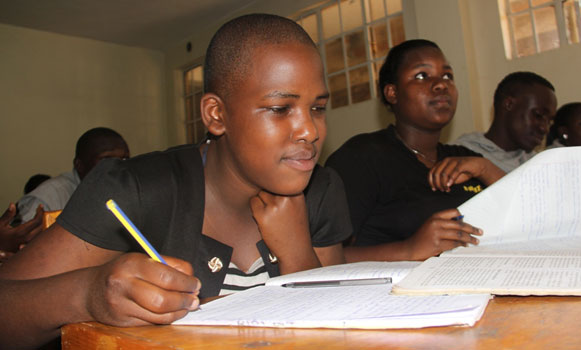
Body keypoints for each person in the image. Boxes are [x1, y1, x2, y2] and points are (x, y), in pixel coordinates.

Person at [0, 13, 351, 349]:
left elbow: (342, 328)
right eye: (280, 109)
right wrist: (87, 293)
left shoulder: (319, 188)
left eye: (317, 108)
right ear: (217, 114)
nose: (310, 130)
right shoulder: (134, 190)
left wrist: (297, 252)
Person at [325, 39, 504, 263]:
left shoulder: (465, 159)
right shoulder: (362, 157)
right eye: (422, 76)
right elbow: (326, 257)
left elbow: (531, 213)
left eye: (447, 75)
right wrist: (409, 250)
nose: (441, 84)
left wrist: (485, 168)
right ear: (392, 93)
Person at [16, 127, 130, 222]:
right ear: (79, 165)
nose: (118, 166)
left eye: (124, 159)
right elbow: (22, 245)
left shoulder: (126, 190)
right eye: (107, 159)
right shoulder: (48, 198)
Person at [454, 71, 557, 173]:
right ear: (509, 105)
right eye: (538, 115)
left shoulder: (539, 165)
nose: (545, 128)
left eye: (549, 121)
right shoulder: (461, 157)